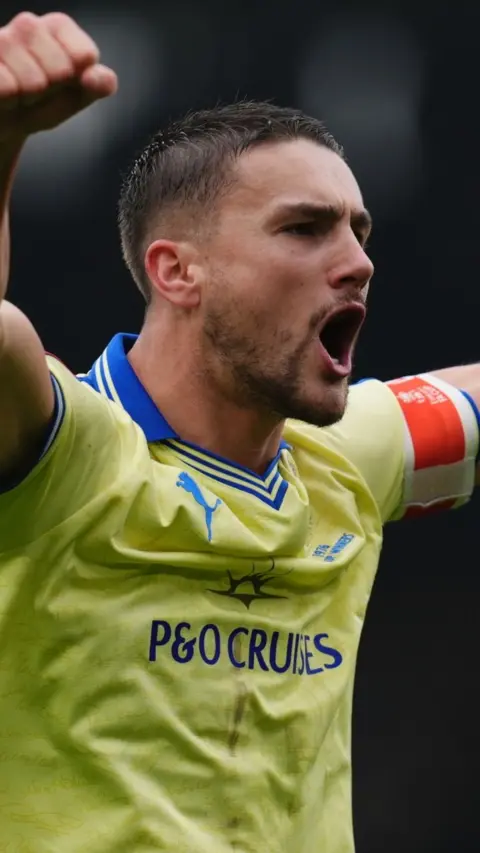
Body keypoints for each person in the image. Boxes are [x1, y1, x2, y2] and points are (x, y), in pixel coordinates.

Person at [0, 11, 478, 853]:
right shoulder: (64, 450)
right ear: (176, 270)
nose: (359, 259)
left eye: (359, 230)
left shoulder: (350, 459)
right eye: (306, 228)